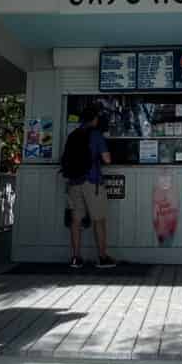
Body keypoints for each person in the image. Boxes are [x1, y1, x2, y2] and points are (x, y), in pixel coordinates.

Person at [61, 104, 116, 269]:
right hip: (92, 182)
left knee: (76, 220)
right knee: (99, 219)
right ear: (95, 119)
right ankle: (102, 257)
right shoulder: (96, 135)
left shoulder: (73, 135)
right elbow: (107, 159)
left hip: (73, 182)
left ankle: (76, 258)